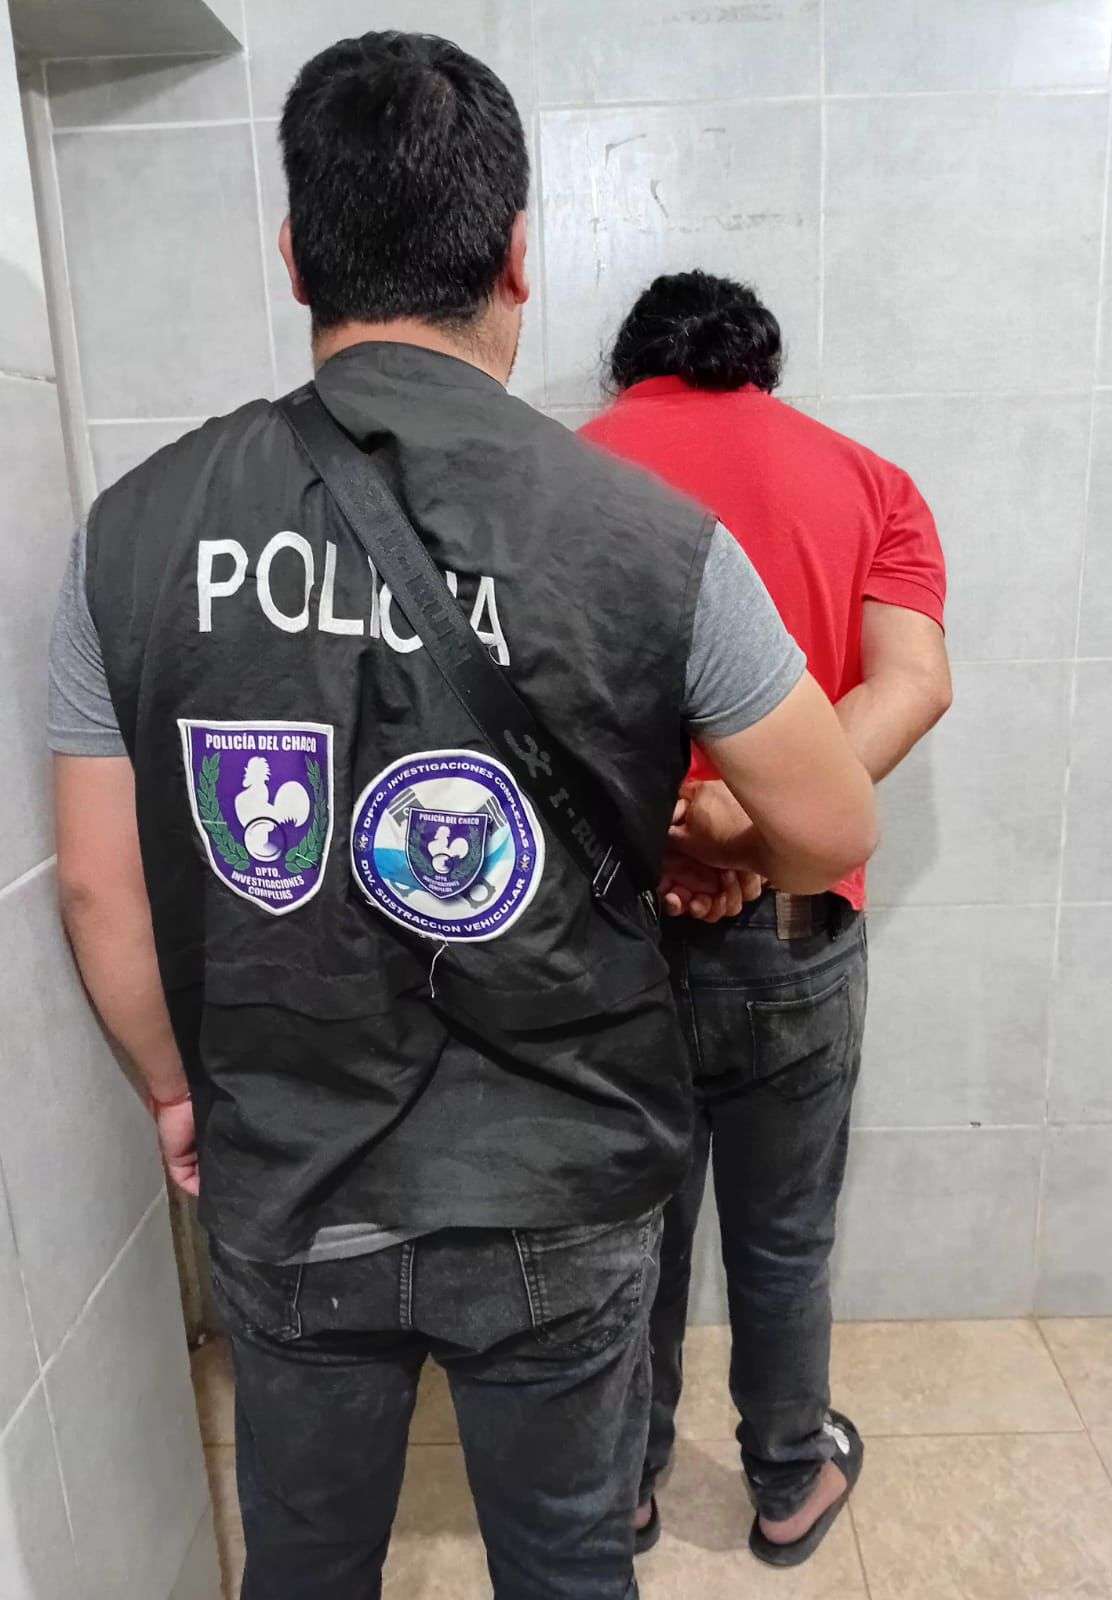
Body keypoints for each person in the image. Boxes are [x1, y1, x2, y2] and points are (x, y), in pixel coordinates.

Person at [47, 40, 876, 1600]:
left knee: (306, 1563)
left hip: (289, 1167)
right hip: (555, 1174)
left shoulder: (135, 532)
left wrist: (174, 1090)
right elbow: (828, 827)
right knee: (564, 1564)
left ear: (296, 254)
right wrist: (710, 839)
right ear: (515, 257)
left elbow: (101, 889)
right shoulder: (649, 537)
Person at [581, 270, 951, 1567]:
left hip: (609, 934)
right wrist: (753, 821)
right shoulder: (869, 480)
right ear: (762, 366)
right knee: (785, 1240)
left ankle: (623, 1490)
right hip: (793, 931)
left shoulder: (558, 477)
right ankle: (790, 1480)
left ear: (631, 367)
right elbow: (915, 683)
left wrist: (672, 829)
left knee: (628, 1240)